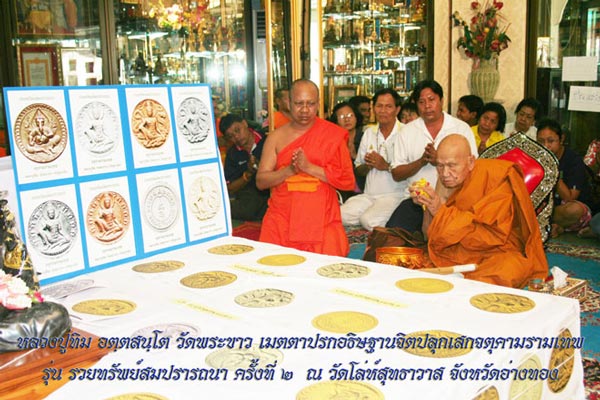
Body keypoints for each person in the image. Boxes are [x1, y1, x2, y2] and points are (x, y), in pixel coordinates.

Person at [412, 134, 548, 288]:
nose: (444, 173)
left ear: (471, 162)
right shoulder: (446, 181)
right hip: (457, 250)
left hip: (496, 252)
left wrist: (440, 210)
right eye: (440, 166)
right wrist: (427, 205)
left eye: (452, 165)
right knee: (413, 261)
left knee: (509, 270)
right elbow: (429, 235)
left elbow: (492, 237)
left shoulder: (494, 178)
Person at [256, 79, 356, 256]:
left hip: (322, 216)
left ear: (318, 104)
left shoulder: (332, 134)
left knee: (323, 268)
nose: (304, 110)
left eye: (310, 104)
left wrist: (308, 167)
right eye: (298, 103)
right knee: (278, 266)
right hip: (283, 217)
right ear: (289, 103)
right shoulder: (276, 137)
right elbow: (261, 181)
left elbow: (347, 181)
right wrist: (289, 170)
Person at [386, 80, 478, 232]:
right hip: (417, 201)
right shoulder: (407, 132)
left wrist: (439, 162)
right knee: (393, 234)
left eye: (431, 100)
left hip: (454, 201)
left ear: (441, 100)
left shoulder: (461, 128)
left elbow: (473, 168)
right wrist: (421, 162)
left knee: (455, 236)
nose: (427, 106)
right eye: (421, 102)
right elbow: (396, 174)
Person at [341, 88, 406, 230]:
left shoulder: (406, 132)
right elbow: (358, 169)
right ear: (373, 108)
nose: (383, 111)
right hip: (369, 195)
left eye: (388, 107)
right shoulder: (369, 132)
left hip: (394, 194)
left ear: (397, 109)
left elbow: (410, 170)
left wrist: (385, 165)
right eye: (379, 106)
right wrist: (368, 165)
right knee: (341, 215)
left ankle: (394, 226)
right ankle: (378, 219)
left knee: (368, 221)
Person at [536, 118, 592, 237]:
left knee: (574, 210)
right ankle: (556, 226)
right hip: (544, 208)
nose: (545, 146)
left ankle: (546, 225)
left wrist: (552, 169)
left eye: (551, 141)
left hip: (565, 209)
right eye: (541, 141)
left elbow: (570, 197)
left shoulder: (574, 160)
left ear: (561, 139)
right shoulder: (535, 157)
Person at [220, 114, 270, 221]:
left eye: (237, 130)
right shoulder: (232, 154)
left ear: (245, 123)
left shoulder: (267, 140)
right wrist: (248, 174)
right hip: (249, 194)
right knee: (247, 208)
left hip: (271, 188)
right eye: (231, 136)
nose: (236, 137)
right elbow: (230, 187)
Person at [329, 101, 366, 195]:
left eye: (350, 115)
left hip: (364, 186)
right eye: (342, 117)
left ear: (356, 117)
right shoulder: (333, 142)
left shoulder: (365, 137)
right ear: (336, 121)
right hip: (340, 186)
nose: (347, 119)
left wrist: (355, 156)